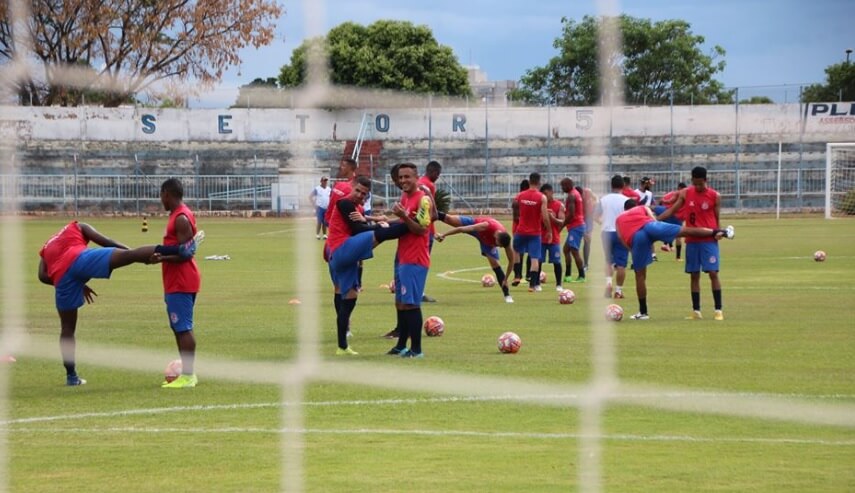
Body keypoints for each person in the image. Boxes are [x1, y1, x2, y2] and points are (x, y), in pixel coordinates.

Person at [38, 219, 200, 386]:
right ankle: (178, 250)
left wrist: (77, 282)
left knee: (67, 329)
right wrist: (135, 254)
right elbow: (106, 242)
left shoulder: (46, 247)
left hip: (62, 278)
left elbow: (42, 276)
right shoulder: (78, 226)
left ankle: (71, 377)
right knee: (130, 255)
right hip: (79, 258)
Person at [325, 175, 408, 355]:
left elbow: (362, 224)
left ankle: (342, 346)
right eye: (358, 191)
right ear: (351, 187)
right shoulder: (344, 203)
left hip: (342, 256)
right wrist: (378, 225)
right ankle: (415, 225)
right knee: (382, 233)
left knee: (350, 297)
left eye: (364, 194)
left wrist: (373, 221)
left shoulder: (358, 208)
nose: (360, 196)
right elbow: (357, 229)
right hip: (341, 249)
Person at [616, 199, 734, 320]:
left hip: (636, 236)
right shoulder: (641, 208)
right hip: (650, 226)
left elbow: (621, 237)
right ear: (634, 206)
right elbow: (653, 219)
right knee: (685, 231)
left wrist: (632, 250)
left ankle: (643, 312)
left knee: (640, 276)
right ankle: (721, 232)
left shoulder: (619, 219)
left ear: (624, 209)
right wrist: (659, 233)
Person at [657, 167, 727, 320]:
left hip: (709, 240)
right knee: (694, 276)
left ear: (705, 180)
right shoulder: (686, 193)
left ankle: (718, 310)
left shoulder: (715, 196)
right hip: (692, 240)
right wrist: (656, 220)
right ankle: (696, 311)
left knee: (713, 273)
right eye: (695, 184)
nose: (697, 187)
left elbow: (716, 218)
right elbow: (672, 211)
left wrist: (719, 232)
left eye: (700, 184)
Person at [157, 178, 205, 388]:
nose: (161, 200)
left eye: (162, 196)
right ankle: (186, 375)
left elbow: (186, 253)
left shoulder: (180, 218)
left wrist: (160, 257)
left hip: (182, 280)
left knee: (184, 328)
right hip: (175, 280)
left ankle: (188, 375)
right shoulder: (177, 216)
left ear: (167, 194)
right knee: (179, 327)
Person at [387, 163, 432, 358]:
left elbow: (422, 229)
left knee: (412, 304)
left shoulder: (423, 200)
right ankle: (401, 345)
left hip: (415, 258)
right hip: (403, 255)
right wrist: (382, 221)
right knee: (402, 302)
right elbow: (402, 221)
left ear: (416, 177)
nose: (403, 180)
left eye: (407, 177)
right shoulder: (405, 196)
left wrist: (404, 216)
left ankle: (417, 350)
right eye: (400, 177)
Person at [435, 213, 516, 303]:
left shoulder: (506, 242)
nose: (499, 247)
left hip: (486, 242)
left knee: (495, 264)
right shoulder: (486, 226)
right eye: (498, 245)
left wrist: (506, 279)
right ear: (496, 237)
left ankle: (507, 296)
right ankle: (433, 213)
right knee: (449, 219)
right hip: (476, 229)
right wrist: (444, 235)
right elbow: (462, 229)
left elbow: (511, 261)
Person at [512, 172, 551, 292]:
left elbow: (515, 208)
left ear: (529, 182)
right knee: (534, 258)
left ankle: (517, 275)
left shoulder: (520, 196)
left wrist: (518, 218)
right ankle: (532, 285)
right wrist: (549, 230)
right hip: (535, 233)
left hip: (521, 230)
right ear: (539, 183)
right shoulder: (542, 197)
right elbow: (545, 217)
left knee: (516, 251)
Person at [596, 175, 630, 299]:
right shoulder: (626, 200)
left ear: (611, 186)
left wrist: (602, 223)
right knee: (621, 264)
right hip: (621, 232)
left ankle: (608, 283)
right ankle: (618, 291)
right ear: (623, 186)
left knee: (608, 261)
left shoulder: (604, 199)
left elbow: (595, 215)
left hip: (606, 232)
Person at [417, 160, 442, 303]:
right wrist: (433, 230)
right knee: (423, 262)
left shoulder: (419, 182)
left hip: (419, 229)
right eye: (437, 174)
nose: (437, 177)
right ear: (432, 172)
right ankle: (420, 292)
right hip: (426, 231)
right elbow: (431, 212)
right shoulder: (429, 186)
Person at [539, 183, 565, 291]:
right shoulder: (540, 205)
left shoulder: (559, 205)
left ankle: (559, 284)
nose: (544, 196)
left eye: (545, 193)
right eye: (542, 194)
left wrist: (552, 218)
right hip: (540, 238)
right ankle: (536, 283)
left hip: (554, 238)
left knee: (556, 262)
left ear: (551, 192)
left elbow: (562, 221)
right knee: (538, 261)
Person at [560, 178, 586, 283]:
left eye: (563, 186)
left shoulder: (571, 196)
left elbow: (571, 215)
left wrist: (561, 225)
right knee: (566, 250)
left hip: (576, 226)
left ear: (567, 185)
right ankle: (568, 275)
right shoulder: (576, 193)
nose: (562, 189)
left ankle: (581, 275)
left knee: (574, 251)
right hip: (577, 225)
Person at [654, 182, 687, 260]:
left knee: (665, 229)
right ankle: (678, 257)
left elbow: (667, 201)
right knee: (678, 236)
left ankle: (664, 246)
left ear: (678, 187)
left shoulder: (675, 193)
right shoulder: (687, 195)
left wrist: (663, 201)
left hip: (669, 214)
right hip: (678, 217)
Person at [324, 157, 358, 227]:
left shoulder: (355, 187)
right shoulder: (338, 184)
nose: (341, 168)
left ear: (349, 168)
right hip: (330, 220)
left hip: (340, 224)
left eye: (343, 165)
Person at [510, 178, 530, 285]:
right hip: (521, 229)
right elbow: (516, 217)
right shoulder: (518, 199)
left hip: (520, 229)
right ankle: (519, 275)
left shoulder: (518, 199)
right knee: (522, 252)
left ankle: (524, 275)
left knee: (523, 253)